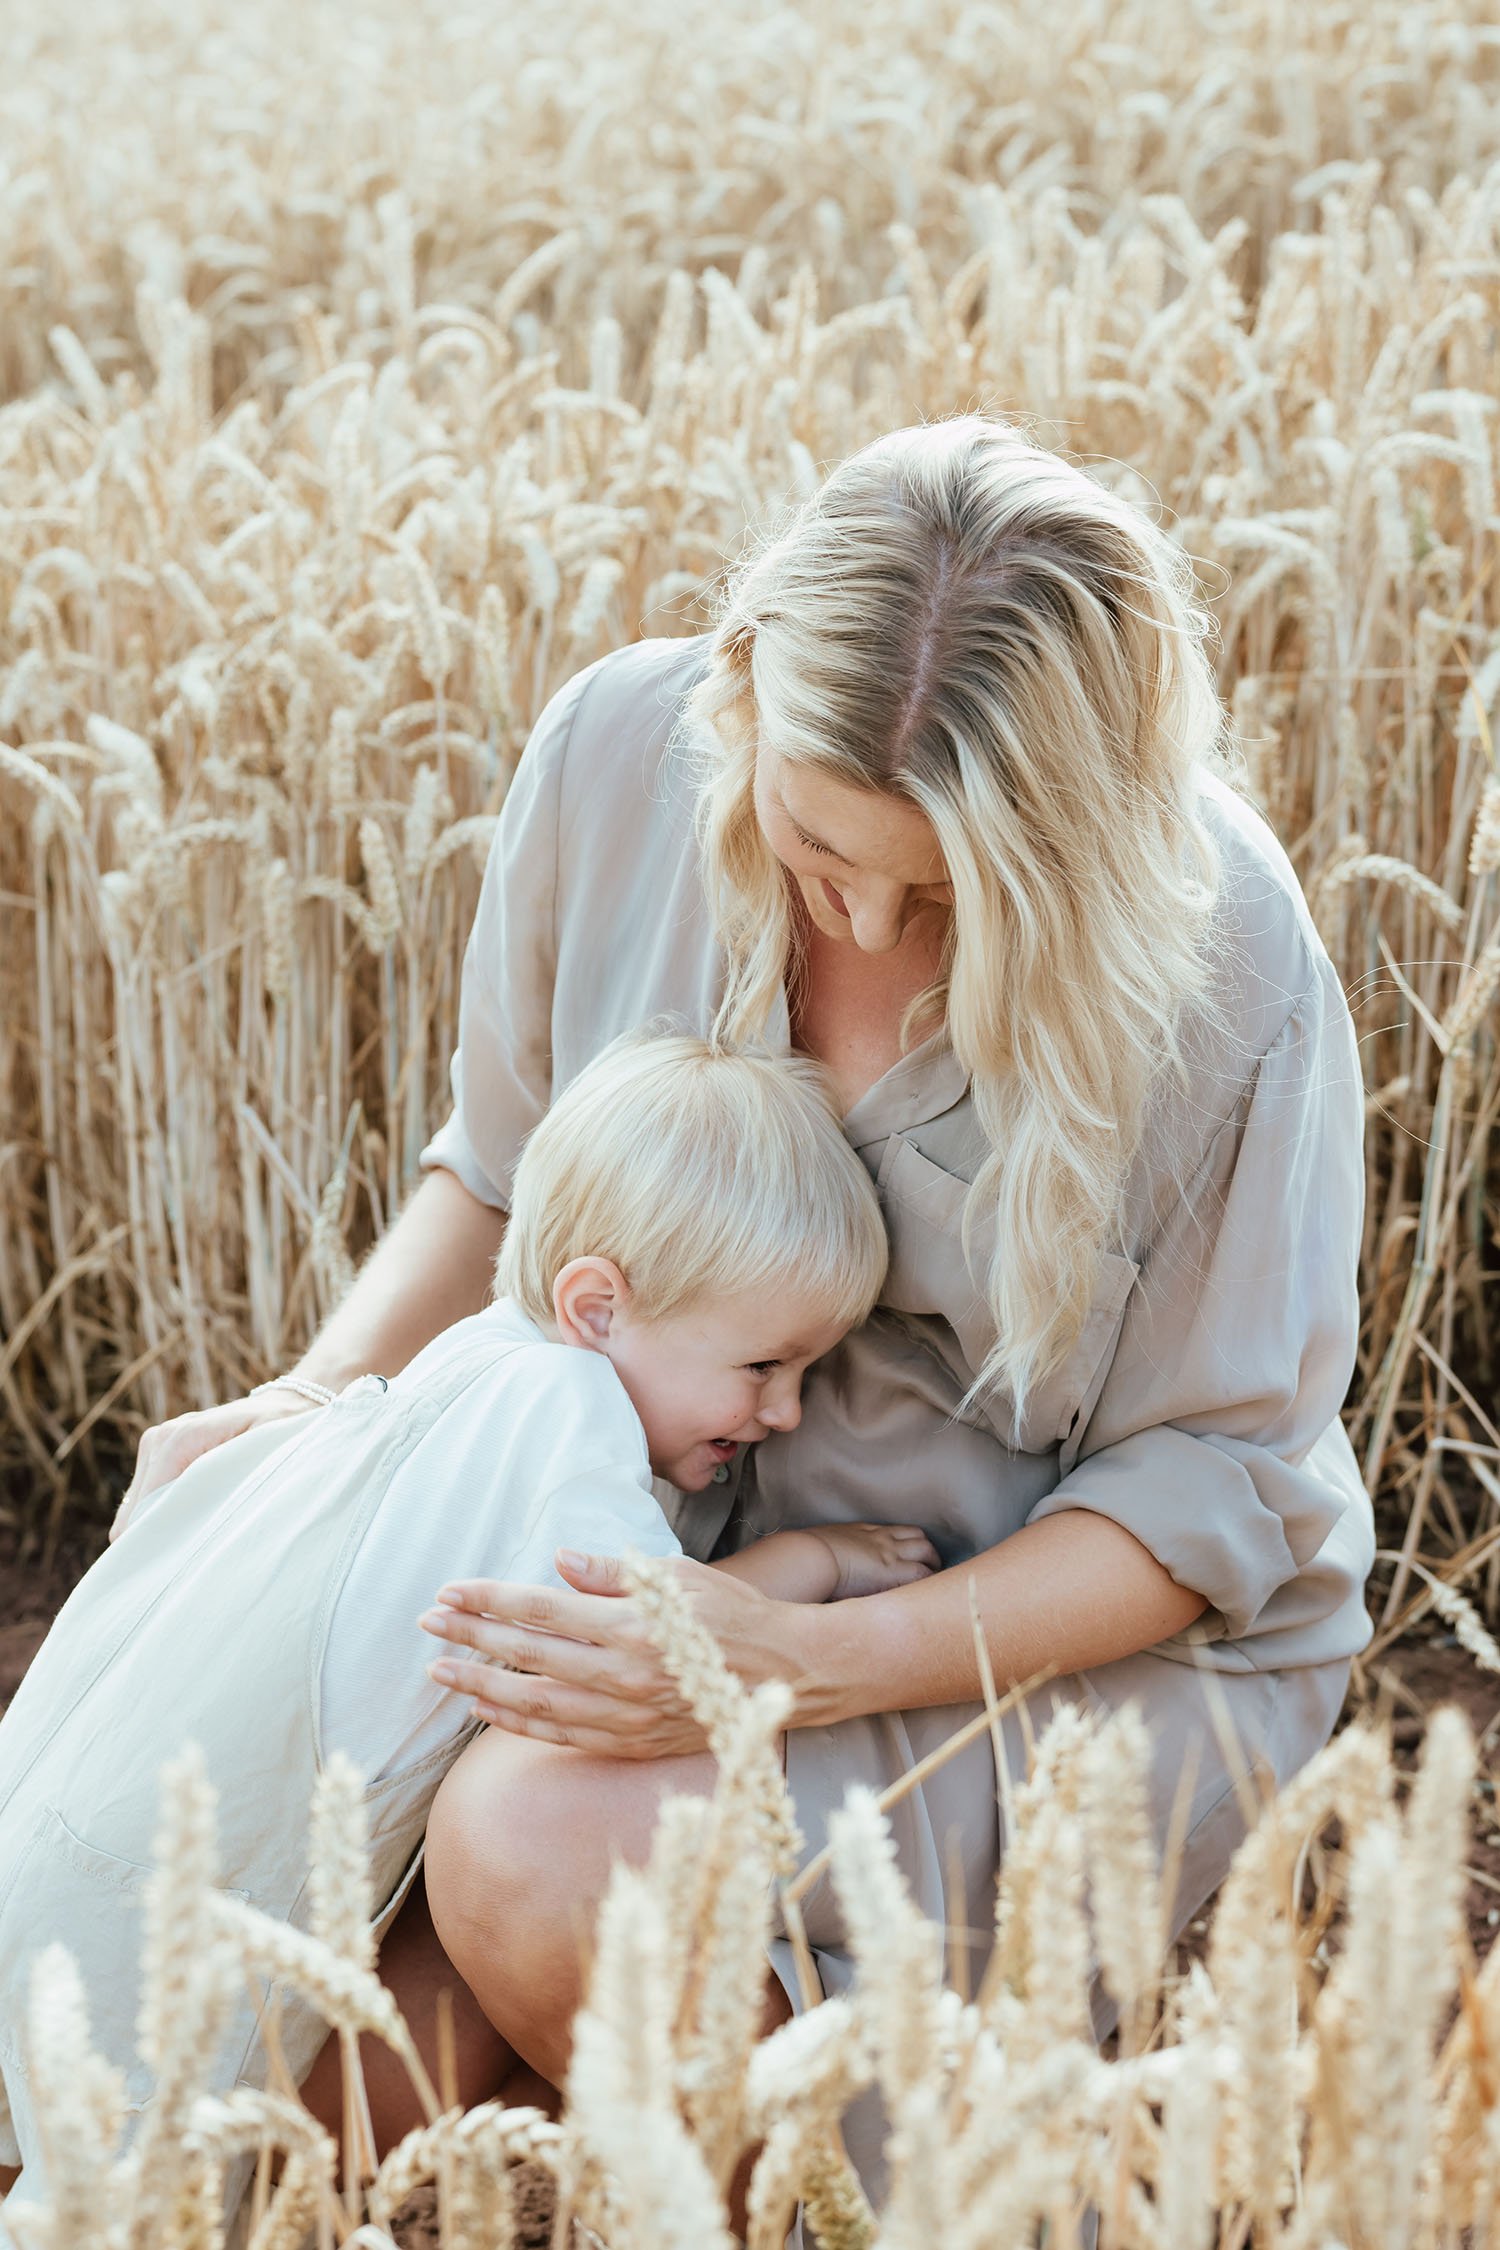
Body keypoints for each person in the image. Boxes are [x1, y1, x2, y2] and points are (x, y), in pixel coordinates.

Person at [105, 414, 1375, 2200]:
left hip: (1021, 1640)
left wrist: (791, 1655)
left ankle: (902, 2209)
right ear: (744, 682)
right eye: (811, 839)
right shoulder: (615, 756)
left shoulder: (1222, 949)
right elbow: (499, 1182)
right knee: (271, 2102)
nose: (856, 911)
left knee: (532, 1849)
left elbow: (1219, 1493)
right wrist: (311, 1414)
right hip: (644, 1560)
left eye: (941, 891)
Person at [0, 1033, 931, 2217]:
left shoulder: (467, 1363)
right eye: (764, 1364)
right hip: (170, 1929)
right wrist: (814, 1562)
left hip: (50, 1847)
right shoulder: (566, 1408)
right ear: (598, 1308)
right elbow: (645, 1640)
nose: (787, 1410)